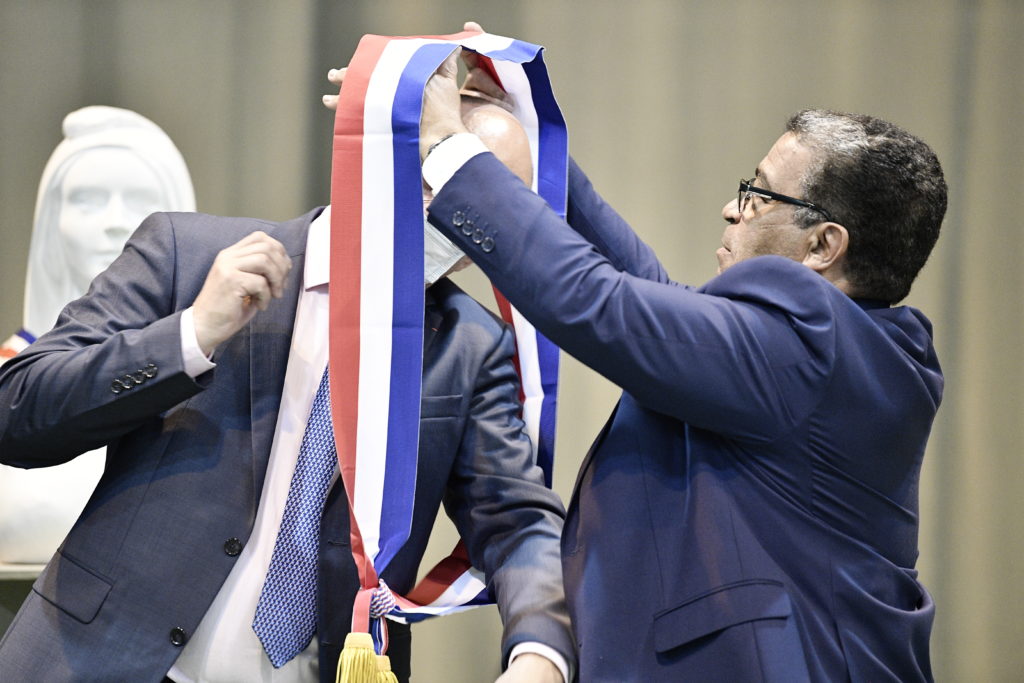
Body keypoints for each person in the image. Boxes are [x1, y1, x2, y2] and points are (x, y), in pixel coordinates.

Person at [408, 27, 947, 682]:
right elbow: (647, 299)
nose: (732, 208)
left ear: (823, 245)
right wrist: (537, 141)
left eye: (760, 194)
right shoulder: (854, 351)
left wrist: (453, 155)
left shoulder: (812, 339)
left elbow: (607, 308)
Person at [0, 96, 573, 682]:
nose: (481, 225)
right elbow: (15, 412)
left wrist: (540, 655)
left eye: (507, 210)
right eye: (468, 188)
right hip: (103, 663)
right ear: (388, 157)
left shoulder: (470, 345)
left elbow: (518, 521)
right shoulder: (188, 255)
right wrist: (191, 335)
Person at [0, 105, 195, 567]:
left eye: (138, 199)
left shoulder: (221, 388)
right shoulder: (8, 382)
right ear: (52, 219)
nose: (112, 220)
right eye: (86, 199)